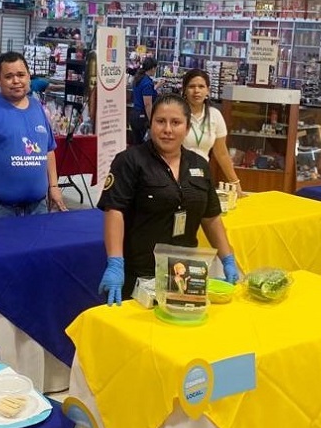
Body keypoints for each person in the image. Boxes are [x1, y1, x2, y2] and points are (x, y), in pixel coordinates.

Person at [97, 93, 239, 306]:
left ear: (188, 128)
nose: (167, 130)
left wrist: (227, 258)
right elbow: (114, 211)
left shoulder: (200, 165)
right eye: (160, 121)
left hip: (185, 272)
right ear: (151, 124)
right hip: (141, 274)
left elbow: (211, 217)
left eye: (176, 122)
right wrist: (115, 263)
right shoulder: (130, 161)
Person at [0, 51, 68, 221]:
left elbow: (49, 150)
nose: (16, 81)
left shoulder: (37, 108)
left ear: (29, 76)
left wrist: (54, 186)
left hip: (38, 207)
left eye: (21, 75)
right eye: (9, 76)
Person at [180, 68, 242, 187]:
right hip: (176, 176)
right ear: (185, 90)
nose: (196, 91)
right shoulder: (176, 114)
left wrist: (235, 182)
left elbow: (222, 153)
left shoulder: (215, 115)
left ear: (208, 90)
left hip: (202, 176)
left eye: (201, 86)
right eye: (192, 86)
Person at [129, 56, 158, 145]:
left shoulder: (139, 79)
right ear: (153, 68)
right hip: (142, 117)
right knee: (144, 145)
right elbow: (148, 104)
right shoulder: (147, 83)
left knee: (136, 143)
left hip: (134, 114)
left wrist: (156, 86)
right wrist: (151, 121)